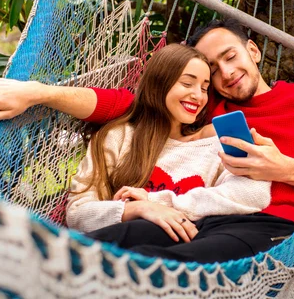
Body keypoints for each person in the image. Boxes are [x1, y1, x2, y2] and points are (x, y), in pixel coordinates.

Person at [0, 18, 294, 263]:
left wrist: (286, 169)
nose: (225, 72)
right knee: (110, 241)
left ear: (252, 51)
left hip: (275, 226)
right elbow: (131, 106)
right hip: (200, 216)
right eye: (212, 70)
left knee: (163, 263)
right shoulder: (210, 105)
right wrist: (39, 93)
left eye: (231, 56)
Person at [65, 43, 271, 248]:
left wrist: (157, 201)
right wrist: (137, 210)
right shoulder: (118, 137)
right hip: (115, 250)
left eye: (204, 88)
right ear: (159, 83)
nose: (198, 96)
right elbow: (77, 214)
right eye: (188, 84)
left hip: (180, 258)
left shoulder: (213, 145)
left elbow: (253, 194)